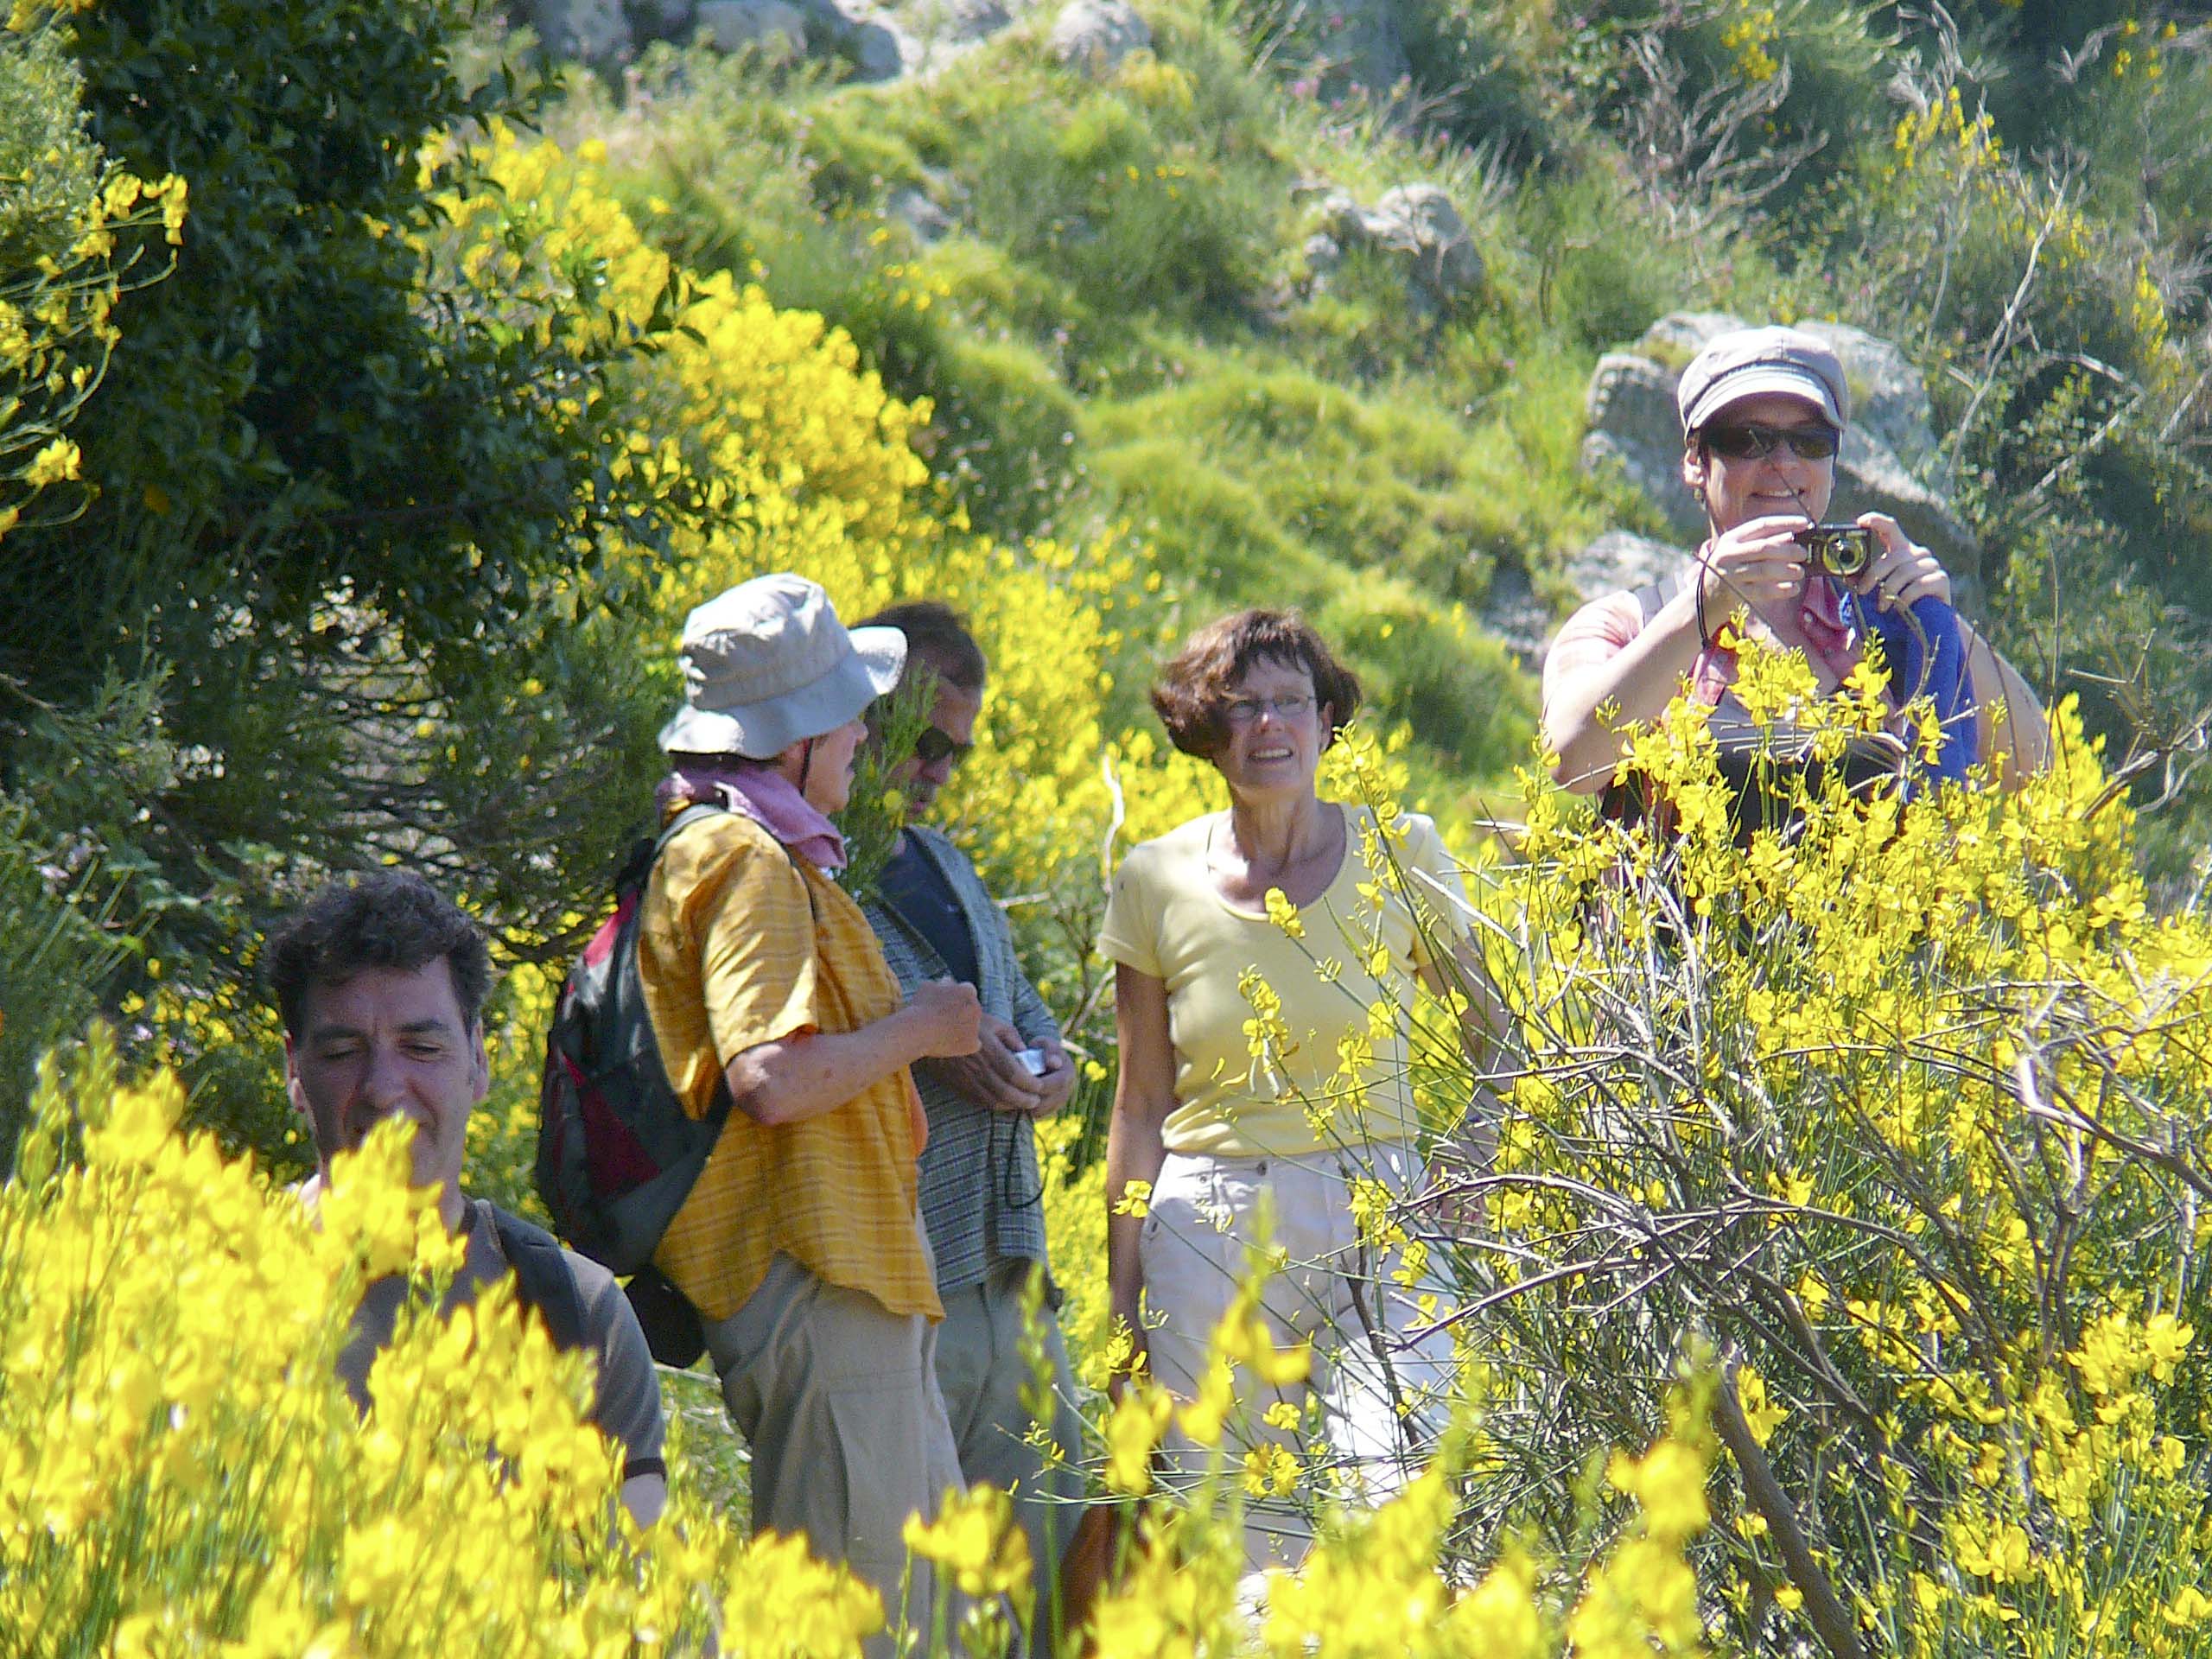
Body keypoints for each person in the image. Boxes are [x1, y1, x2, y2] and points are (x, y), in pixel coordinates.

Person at [1096, 608, 1494, 1592]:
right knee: (1240, 1547)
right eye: (1240, 707)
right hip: (1209, 1224)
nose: (1268, 726)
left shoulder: (1403, 851)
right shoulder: (1152, 879)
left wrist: (1470, 1159)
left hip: (1381, 1212)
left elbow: (1498, 1033)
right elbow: (1140, 1108)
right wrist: (1119, 1305)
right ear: (1204, 727)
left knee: (1400, 1512)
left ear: (1325, 722)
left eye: (1290, 703)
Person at [636, 572, 982, 1654]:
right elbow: (771, 1079)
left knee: (914, 1617)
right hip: (814, 1283)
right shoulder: (741, 858)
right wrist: (923, 1028)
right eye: (847, 715)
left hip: (856, 1279)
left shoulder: (763, 849)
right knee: (853, 1626)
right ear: (790, 742)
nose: (863, 738)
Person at [269, 869, 668, 1531]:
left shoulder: (575, 1309)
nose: (384, 1088)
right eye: (342, 1051)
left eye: (422, 1047)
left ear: (479, 1062)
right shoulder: (208, 1273)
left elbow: (652, 1593)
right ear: (294, 1071)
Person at [853, 601, 1086, 1655]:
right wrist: (925, 1041)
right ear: (862, 718)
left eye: (957, 750)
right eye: (924, 741)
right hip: (906, 1290)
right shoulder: (807, 873)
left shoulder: (944, 863)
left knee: (1046, 1589)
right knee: (917, 1607)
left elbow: (1032, 1020)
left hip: (1013, 1282)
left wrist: (1053, 1076)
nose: (939, 768)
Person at [1544, 324, 2050, 810]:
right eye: (1749, 440)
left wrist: (1936, 621)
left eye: (1809, 441)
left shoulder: (1884, 630)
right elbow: (1571, 759)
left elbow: (2033, 767)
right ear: (1696, 460)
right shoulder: (1628, 624)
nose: (1784, 463)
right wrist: (1705, 608)